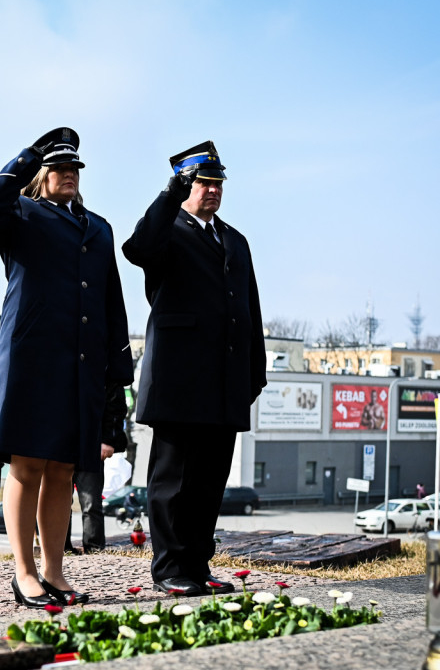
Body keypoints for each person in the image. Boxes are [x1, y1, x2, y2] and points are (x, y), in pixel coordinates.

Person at [0, 128, 133, 608]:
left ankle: (55, 572)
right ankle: (24, 573)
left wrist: (117, 367)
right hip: (31, 361)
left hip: (80, 362)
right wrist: (27, 156)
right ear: (40, 175)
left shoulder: (98, 228)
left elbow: (111, 300)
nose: (68, 174)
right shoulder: (20, 214)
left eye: (74, 168)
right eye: (58, 167)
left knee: (63, 470)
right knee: (27, 465)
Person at [122, 142, 266, 597]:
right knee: (173, 482)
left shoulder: (234, 240)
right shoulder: (166, 231)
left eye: (217, 183)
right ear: (185, 185)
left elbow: (250, 310)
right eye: (203, 182)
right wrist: (169, 194)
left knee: (208, 483)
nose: (212, 190)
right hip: (179, 381)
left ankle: (197, 566)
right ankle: (169, 568)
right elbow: (138, 247)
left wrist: (253, 372)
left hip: (224, 383)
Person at [66, 384, 128, 554]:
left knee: (91, 502)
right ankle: (61, 547)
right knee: (60, 501)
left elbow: (115, 403)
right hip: (65, 440)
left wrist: (108, 439)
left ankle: (93, 548)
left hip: (91, 444)